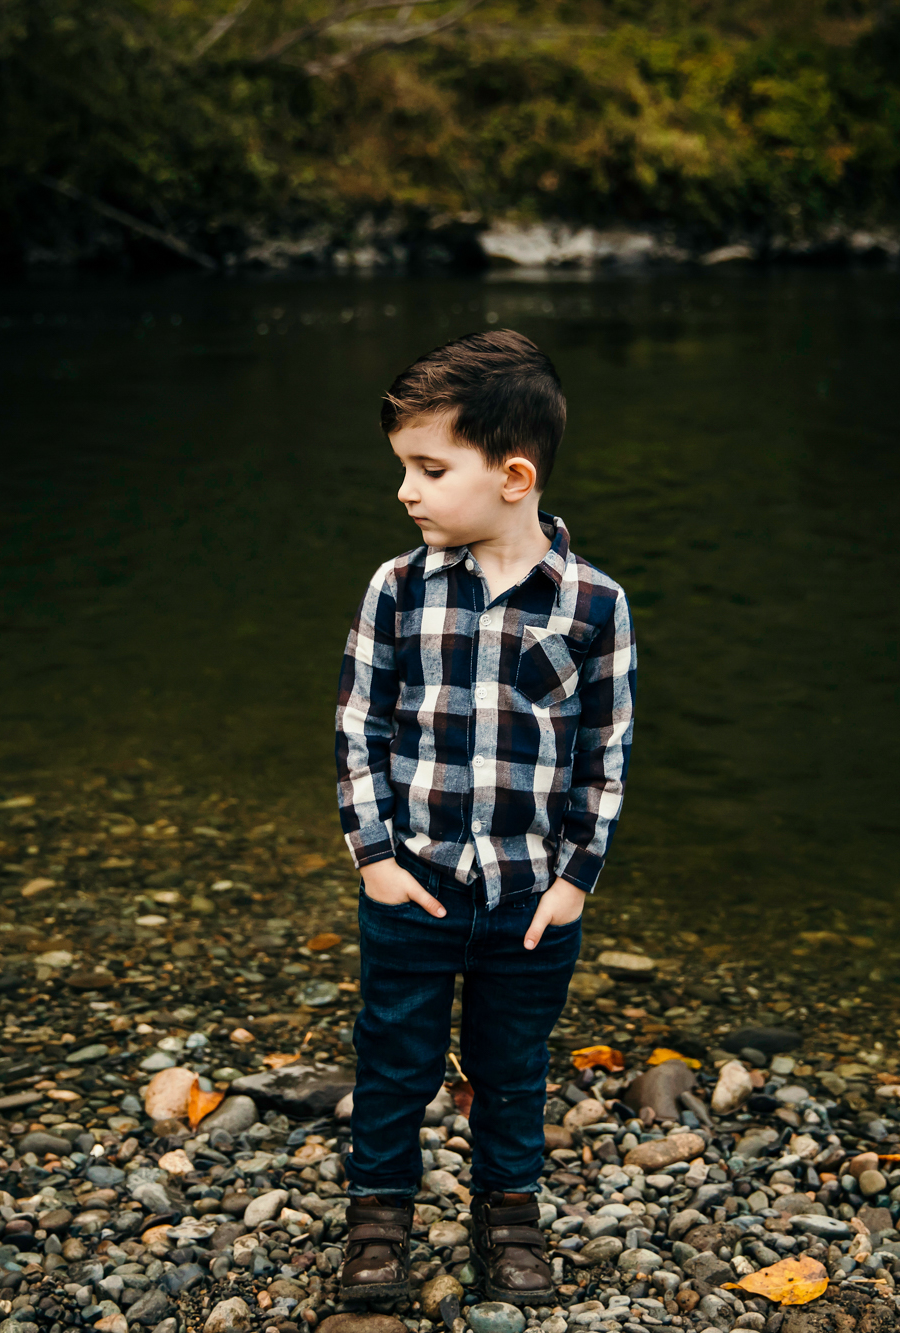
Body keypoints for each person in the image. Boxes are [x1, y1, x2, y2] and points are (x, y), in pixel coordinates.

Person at [331, 329, 638, 1306]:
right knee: (393, 1058)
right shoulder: (397, 589)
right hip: (411, 885)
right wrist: (373, 858)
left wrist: (574, 881)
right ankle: (378, 1223)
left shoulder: (593, 604)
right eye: (404, 469)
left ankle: (508, 1217)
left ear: (512, 475)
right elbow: (355, 728)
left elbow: (606, 755)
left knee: (512, 1068)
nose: (406, 491)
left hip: (528, 899)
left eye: (429, 468)